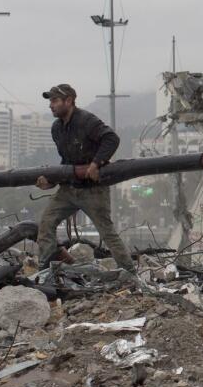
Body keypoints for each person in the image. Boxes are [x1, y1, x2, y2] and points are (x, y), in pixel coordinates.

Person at [35, 83, 137, 276]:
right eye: (50, 101)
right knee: (46, 224)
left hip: (93, 190)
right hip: (69, 189)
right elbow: (66, 161)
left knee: (107, 233)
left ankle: (130, 274)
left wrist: (96, 163)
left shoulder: (86, 120)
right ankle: (44, 271)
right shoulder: (57, 128)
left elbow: (111, 139)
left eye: (55, 100)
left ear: (69, 101)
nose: (51, 105)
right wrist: (51, 182)